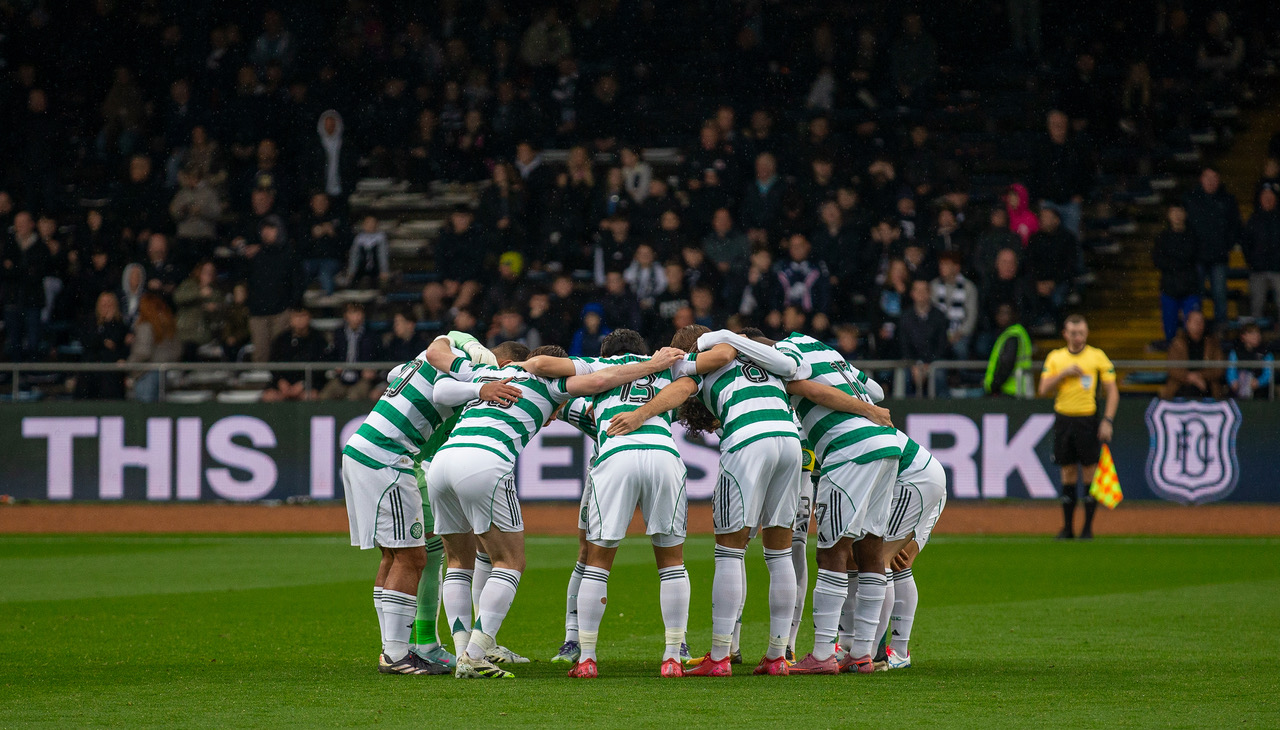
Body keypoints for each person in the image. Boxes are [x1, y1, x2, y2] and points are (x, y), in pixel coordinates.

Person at [424, 338, 686, 679]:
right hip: (485, 461)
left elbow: (440, 381)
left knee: (459, 561)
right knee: (511, 561)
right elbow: (598, 381)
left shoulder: (487, 372)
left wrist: (458, 344)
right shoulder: (554, 386)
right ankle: (475, 655)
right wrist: (653, 365)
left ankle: (465, 652)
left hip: (442, 462)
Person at [519, 330, 738, 677]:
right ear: (646, 350)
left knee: (597, 561)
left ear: (606, 353)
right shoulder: (668, 365)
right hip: (664, 456)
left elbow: (544, 366)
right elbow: (704, 373)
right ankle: (672, 656)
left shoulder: (595, 366)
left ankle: (586, 657)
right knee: (672, 563)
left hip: (615, 457)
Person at [342, 331, 519, 675]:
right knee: (413, 555)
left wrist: (456, 350)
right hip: (386, 457)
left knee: (394, 554)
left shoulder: (436, 354)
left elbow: (404, 369)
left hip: (367, 450)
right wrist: (477, 385)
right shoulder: (467, 367)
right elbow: (441, 381)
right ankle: (396, 655)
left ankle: (398, 648)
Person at [1038, 314, 1119, 540]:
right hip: (1064, 420)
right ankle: (1067, 528)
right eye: (1073, 333)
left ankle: (1087, 529)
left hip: (1087, 420)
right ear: (1065, 334)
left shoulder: (1097, 356)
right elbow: (1043, 388)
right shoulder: (1056, 358)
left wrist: (1107, 420)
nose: (1078, 337)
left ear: (1087, 333)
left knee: (1090, 472)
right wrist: (1063, 373)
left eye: (1081, 333)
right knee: (1068, 472)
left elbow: (1112, 391)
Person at [1183, 167, 1242, 325]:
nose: (1210, 181)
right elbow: (1184, 228)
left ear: (1219, 179)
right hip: (1197, 257)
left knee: (1220, 295)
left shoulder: (1228, 200)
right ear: (1201, 179)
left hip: (1219, 257)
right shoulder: (1190, 199)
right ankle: (1196, 330)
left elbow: (1235, 226)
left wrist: (1226, 245)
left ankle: (1221, 329)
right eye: (1207, 177)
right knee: (1197, 296)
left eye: (1214, 177)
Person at [1153, 205, 1202, 343]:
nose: (1177, 215)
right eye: (1173, 212)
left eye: (1180, 211)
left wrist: (1173, 261)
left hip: (1190, 289)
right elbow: (1158, 260)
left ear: (1185, 214)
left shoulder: (1192, 236)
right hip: (1169, 289)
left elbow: (1193, 256)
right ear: (1168, 215)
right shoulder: (1162, 238)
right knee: (1170, 334)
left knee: (1193, 331)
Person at [261, 308, 328, 402]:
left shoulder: (318, 339)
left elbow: (321, 367)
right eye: (296, 316)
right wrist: (281, 382)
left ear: (309, 317)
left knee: (311, 396)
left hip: (311, 383)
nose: (299, 320)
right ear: (291, 319)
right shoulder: (281, 339)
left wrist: (303, 384)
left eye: (303, 316)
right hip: (283, 383)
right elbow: (273, 363)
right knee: (269, 396)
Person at [898, 279, 950, 397]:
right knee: (903, 375)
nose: (921, 293)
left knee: (939, 375)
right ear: (912, 294)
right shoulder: (906, 317)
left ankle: (942, 410)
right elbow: (904, 345)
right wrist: (914, 364)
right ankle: (905, 411)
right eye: (917, 290)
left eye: (924, 290)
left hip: (934, 362)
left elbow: (942, 345)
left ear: (929, 293)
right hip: (912, 363)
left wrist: (928, 364)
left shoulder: (939, 316)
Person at [321, 302, 383, 401]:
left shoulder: (372, 335)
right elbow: (331, 354)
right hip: (341, 378)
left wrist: (373, 370)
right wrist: (335, 366)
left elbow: (380, 356)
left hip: (362, 379)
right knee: (325, 396)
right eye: (353, 313)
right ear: (346, 315)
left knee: (353, 397)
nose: (356, 316)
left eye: (359, 313)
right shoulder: (339, 334)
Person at [127, 294, 181, 402]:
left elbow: (143, 352)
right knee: (158, 413)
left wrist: (128, 365)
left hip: (146, 374)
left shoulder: (146, 325)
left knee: (145, 412)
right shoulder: (169, 324)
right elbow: (177, 351)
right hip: (164, 373)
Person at [1160, 310, 1224, 400]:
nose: (1198, 324)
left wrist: (1200, 376)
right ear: (1188, 323)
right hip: (1180, 385)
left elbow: (1218, 369)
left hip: (1207, 386)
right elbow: (1172, 369)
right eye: (1195, 321)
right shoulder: (1178, 343)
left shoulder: (1213, 343)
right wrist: (1190, 377)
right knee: (1189, 391)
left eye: (1201, 321)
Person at [76, 292, 129, 400]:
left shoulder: (119, 324)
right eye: (103, 303)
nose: (106, 306)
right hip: (90, 371)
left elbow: (117, 343)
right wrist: (104, 341)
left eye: (109, 303)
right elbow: (87, 342)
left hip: (109, 374)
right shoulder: (89, 321)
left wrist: (109, 323)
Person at [930, 253, 979, 359]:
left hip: (960, 333)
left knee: (960, 349)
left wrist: (959, 333)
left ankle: (963, 375)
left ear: (956, 267)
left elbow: (971, 316)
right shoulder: (934, 285)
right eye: (941, 264)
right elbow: (932, 313)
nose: (942, 267)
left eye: (946, 264)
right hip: (938, 333)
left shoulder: (968, 287)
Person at [173, 261, 224, 361]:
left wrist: (213, 309)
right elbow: (178, 297)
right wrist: (199, 293)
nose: (209, 275)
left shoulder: (216, 292)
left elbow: (220, 316)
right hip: (184, 332)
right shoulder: (189, 285)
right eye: (206, 272)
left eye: (211, 272)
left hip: (203, 334)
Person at [1245, 187, 1280, 321]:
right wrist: (1252, 261)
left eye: (1271, 196)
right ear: (1260, 199)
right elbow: (1245, 242)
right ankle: (1255, 339)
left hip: (1278, 269)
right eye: (1265, 195)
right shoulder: (1253, 219)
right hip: (1258, 269)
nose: (1268, 199)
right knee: (1257, 305)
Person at [984, 304, 1033, 397]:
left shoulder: (1013, 335)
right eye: (1000, 313)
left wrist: (994, 385)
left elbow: (1007, 363)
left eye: (1006, 313)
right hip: (1018, 389)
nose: (1002, 317)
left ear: (1014, 315)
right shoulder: (1016, 332)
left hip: (1009, 390)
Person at [1227, 324, 1274, 399]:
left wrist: (1259, 382)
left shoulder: (1266, 353)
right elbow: (1231, 371)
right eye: (1251, 333)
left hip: (1260, 394)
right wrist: (1233, 382)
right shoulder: (1235, 352)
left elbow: (1268, 374)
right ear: (1243, 336)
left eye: (1257, 333)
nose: (1256, 336)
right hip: (1238, 392)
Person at [346, 215, 391, 288]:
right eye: (368, 223)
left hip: (376, 268)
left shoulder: (381, 237)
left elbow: (383, 255)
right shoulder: (359, 238)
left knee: (378, 284)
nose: (370, 225)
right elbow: (354, 255)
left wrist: (384, 270)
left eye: (372, 223)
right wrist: (352, 270)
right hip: (361, 268)